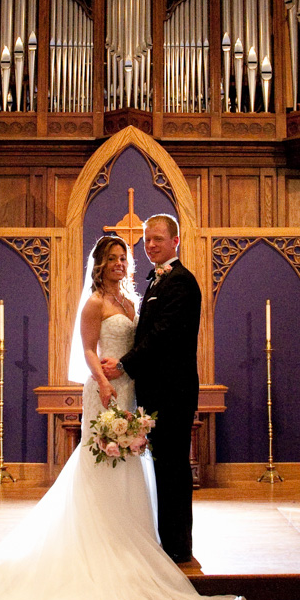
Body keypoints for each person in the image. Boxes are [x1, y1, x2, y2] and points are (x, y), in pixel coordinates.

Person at [0, 234, 245, 600]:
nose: (119, 263)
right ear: (99, 264)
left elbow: (148, 341)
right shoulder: (94, 303)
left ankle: (132, 543)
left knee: (130, 463)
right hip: (107, 389)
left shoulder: (131, 299)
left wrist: (126, 375)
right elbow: (89, 349)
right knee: (103, 459)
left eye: (122, 257)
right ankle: (102, 543)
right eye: (111, 258)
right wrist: (106, 382)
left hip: (132, 388)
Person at [102, 214, 199, 564]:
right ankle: (169, 540)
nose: (151, 244)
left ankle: (179, 547)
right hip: (156, 391)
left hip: (173, 392)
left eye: (158, 238)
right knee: (163, 468)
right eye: (147, 239)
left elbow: (163, 335)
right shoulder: (158, 279)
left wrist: (124, 364)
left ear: (175, 241)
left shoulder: (181, 281)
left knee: (173, 468)